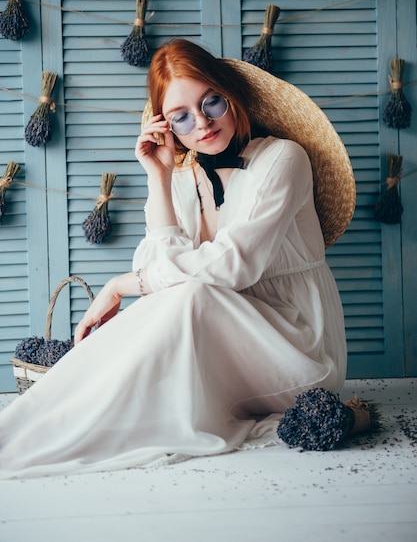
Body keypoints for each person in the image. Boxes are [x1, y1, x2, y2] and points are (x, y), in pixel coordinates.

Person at [0, 39, 355, 479]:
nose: (201, 123)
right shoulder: (184, 176)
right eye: (180, 116)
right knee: (179, 304)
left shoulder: (282, 158)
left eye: (211, 103)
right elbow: (162, 267)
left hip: (300, 354)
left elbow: (233, 266)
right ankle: (38, 427)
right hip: (223, 358)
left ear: (231, 95)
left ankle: (47, 425)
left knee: (193, 297)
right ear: (163, 126)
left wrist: (119, 285)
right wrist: (160, 177)